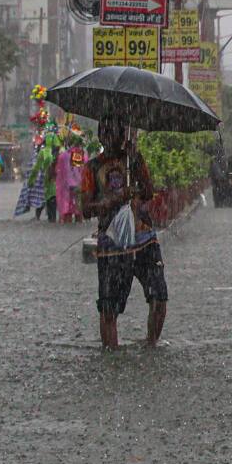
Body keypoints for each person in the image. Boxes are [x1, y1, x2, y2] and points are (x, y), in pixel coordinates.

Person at [81, 117, 168, 349]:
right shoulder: (92, 168)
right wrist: (116, 199)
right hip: (111, 245)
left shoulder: (133, 159)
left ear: (123, 135)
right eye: (104, 131)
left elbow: (149, 192)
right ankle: (112, 352)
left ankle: (151, 345)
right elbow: (86, 209)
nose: (109, 136)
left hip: (144, 238)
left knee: (159, 297)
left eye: (114, 132)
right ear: (99, 135)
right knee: (109, 306)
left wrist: (135, 162)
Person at [55, 133, 87, 223]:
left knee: (67, 211)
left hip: (66, 187)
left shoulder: (63, 156)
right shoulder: (83, 155)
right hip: (79, 185)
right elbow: (83, 171)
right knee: (78, 210)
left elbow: (58, 171)